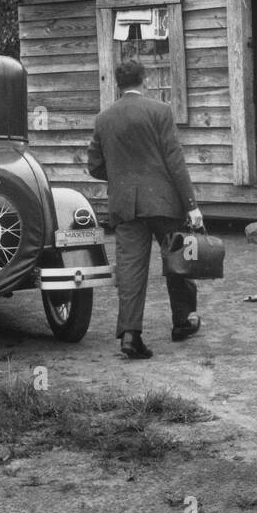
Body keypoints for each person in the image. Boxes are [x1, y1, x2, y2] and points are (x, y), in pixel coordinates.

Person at [87, 60, 203, 359]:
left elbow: (95, 166)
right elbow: (174, 161)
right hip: (164, 202)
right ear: (144, 80)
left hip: (125, 205)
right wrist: (191, 205)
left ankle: (130, 335)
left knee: (130, 271)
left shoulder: (103, 118)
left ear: (117, 83)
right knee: (178, 261)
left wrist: (123, 178)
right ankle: (183, 322)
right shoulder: (160, 111)